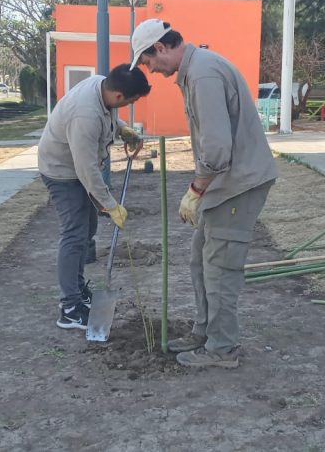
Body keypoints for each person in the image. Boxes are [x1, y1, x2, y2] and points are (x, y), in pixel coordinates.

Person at [131, 19, 278, 369]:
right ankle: (205, 331)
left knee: (220, 269)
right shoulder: (196, 71)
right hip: (226, 183)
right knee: (200, 259)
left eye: (148, 61)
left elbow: (216, 149)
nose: (149, 69)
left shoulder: (203, 75)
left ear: (162, 47)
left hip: (238, 184)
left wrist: (196, 189)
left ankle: (222, 349)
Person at [38, 64, 151, 330]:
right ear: (119, 96)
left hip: (75, 167)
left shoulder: (104, 85)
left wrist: (121, 128)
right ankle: (69, 308)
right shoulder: (85, 116)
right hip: (61, 171)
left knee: (87, 227)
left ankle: (77, 290)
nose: (128, 106)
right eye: (131, 101)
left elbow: (108, 114)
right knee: (74, 233)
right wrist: (110, 205)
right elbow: (86, 170)